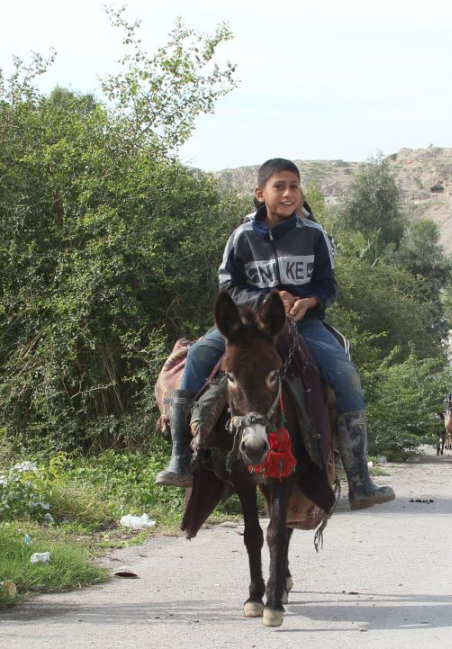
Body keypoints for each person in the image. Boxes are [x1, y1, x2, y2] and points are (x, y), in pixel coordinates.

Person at [156, 158, 395, 511]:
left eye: (294, 186)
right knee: (197, 358)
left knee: (345, 374)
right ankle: (181, 459)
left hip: (304, 323)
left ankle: (360, 479)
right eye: (279, 186)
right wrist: (266, 300)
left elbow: (328, 287)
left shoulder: (314, 235)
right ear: (260, 193)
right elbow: (228, 285)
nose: (288, 193)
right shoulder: (241, 237)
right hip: (247, 325)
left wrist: (308, 301)